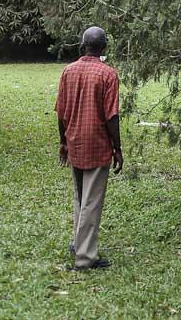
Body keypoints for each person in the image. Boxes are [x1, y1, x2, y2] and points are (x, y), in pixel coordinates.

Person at [55, 26, 123, 271]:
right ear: (104, 48)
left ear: (83, 45)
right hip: (97, 144)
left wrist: (63, 141)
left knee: (80, 196)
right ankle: (84, 258)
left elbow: (60, 113)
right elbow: (112, 116)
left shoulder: (68, 71)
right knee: (91, 202)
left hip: (74, 141)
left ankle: (78, 243)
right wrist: (118, 148)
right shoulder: (108, 74)